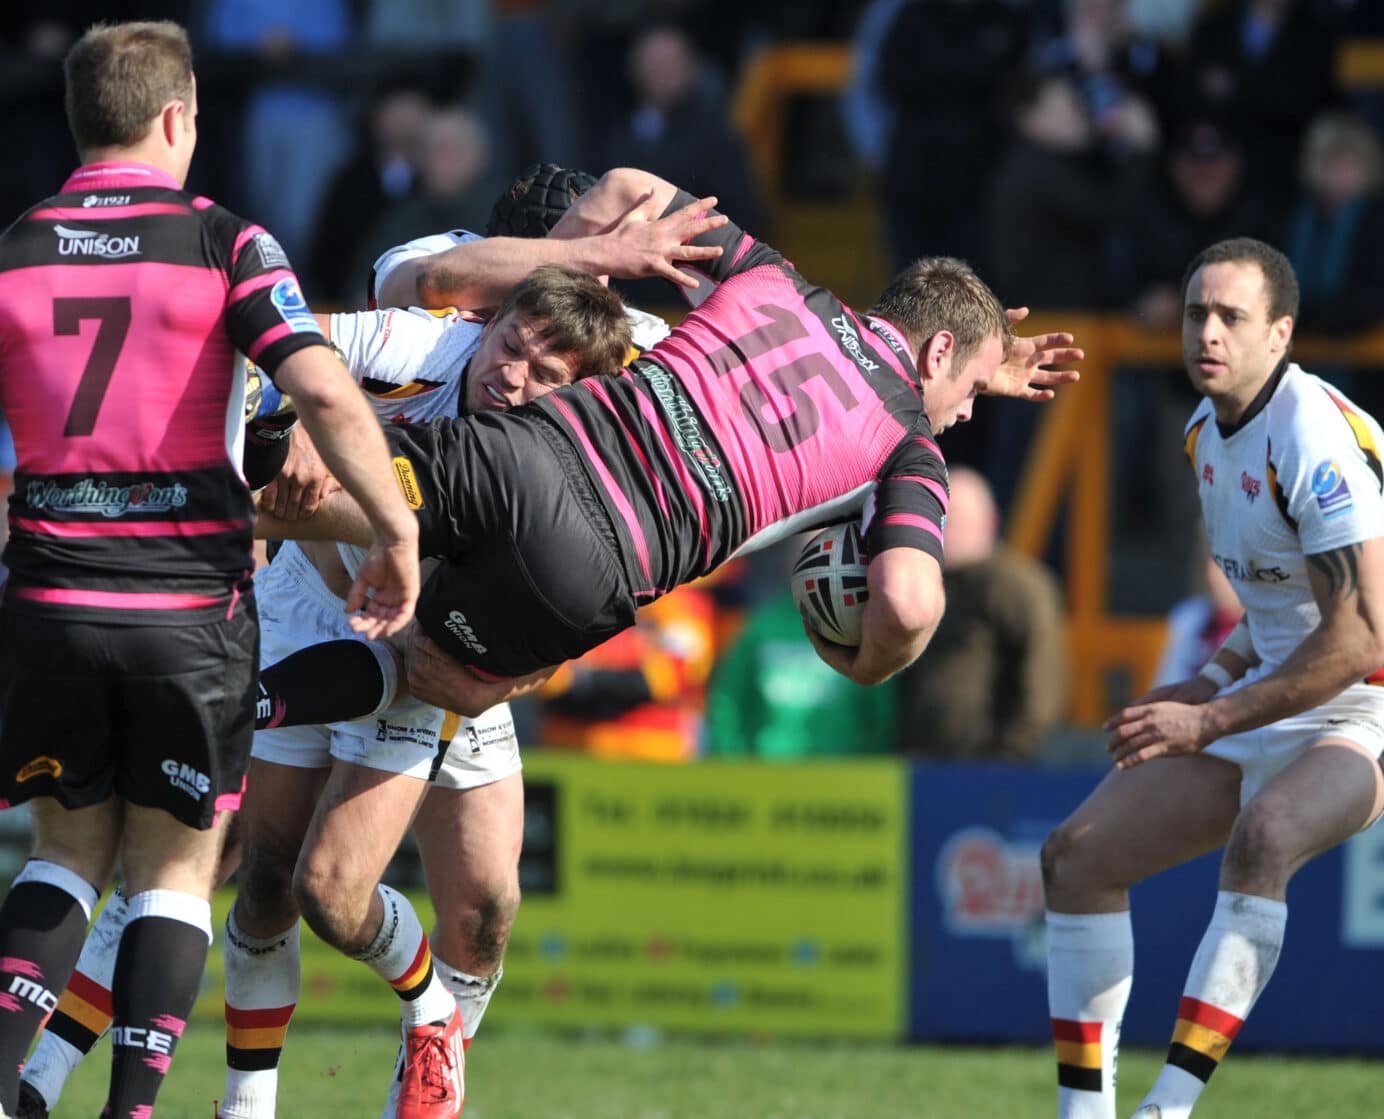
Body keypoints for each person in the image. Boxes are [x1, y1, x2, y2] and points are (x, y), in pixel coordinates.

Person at [256, 166, 1082, 725]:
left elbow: (623, 185)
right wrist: (868, 664)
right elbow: (907, 601)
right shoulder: (910, 447)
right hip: (590, 571)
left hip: (538, 451)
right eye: (972, 390)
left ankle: (144, 508)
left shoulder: (774, 278)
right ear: (937, 354)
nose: (967, 414)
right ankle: (254, 704)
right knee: (453, 679)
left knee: (321, 499)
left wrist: (580, 275)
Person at [0, 20, 419, 1119]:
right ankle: (132, 1109)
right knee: (176, 873)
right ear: (179, 117)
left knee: (63, 853)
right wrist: (395, 531)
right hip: (186, 604)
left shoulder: (16, 244)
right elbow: (325, 392)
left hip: (47, 593)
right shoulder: (225, 242)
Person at [1041, 237, 1384, 1119]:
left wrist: (1213, 716)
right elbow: (1270, 606)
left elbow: (1361, 635)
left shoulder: (1312, 436)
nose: (1209, 332)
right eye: (1198, 312)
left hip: (1368, 703)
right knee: (1076, 859)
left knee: (1265, 837)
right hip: (1269, 692)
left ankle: (1168, 1108)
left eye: (1233, 316)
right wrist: (1203, 682)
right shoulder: (1204, 432)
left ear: (1282, 333)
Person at [893, 466, 1068, 760]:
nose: (944, 530)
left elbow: (1041, 681)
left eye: (955, 520)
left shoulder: (1018, 586)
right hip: (916, 763)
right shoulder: (916, 581)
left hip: (990, 767)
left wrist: (1013, 753)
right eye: (937, 519)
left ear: (991, 522)